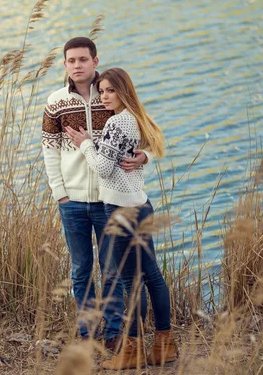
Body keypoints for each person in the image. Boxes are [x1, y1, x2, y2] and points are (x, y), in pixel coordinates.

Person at [66, 67, 178, 369]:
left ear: (123, 91)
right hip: (140, 205)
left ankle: (132, 351)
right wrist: (146, 156)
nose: (104, 96)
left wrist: (85, 143)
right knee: (152, 277)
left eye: (110, 91)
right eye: (101, 91)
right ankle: (164, 345)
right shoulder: (136, 117)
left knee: (132, 282)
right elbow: (153, 144)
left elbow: (102, 168)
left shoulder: (118, 120)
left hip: (120, 211)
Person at [41, 38, 149, 350]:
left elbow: (140, 134)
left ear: (94, 60)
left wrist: (145, 157)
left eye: (82, 60)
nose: (77, 65)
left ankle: (114, 332)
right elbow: (49, 151)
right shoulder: (56, 102)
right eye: (71, 61)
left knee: (112, 267)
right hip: (72, 201)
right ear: (64, 65)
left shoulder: (111, 96)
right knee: (80, 269)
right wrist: (60, 193)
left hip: (108, 199)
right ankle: (87, 332)